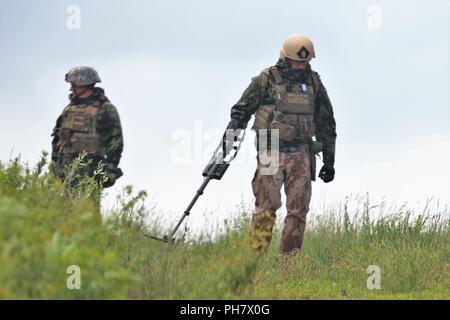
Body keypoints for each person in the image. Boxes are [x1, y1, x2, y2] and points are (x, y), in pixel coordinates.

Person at [226, 34, 337, 255]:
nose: (300, 66)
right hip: (271, 150)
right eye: (296, 61)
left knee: (298, 209)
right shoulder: (266, 79)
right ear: (285, 58)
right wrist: (230, 139)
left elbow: (327, 122)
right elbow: (242, 110)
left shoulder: (314, 82)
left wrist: (329, 161)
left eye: (304, 62)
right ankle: (254, 261)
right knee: (267, 207)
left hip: (301, 153)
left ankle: (289, 263)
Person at [51, 66, 123, 189]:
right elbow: (57, 141)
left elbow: (115, 142)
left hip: (89, 175)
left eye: (74, 85)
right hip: (63, 175)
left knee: (85, 208)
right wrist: (53, 169)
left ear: (85, 85)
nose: (71, 89)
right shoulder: (68, 110)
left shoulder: (105, 109)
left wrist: (110, 169)